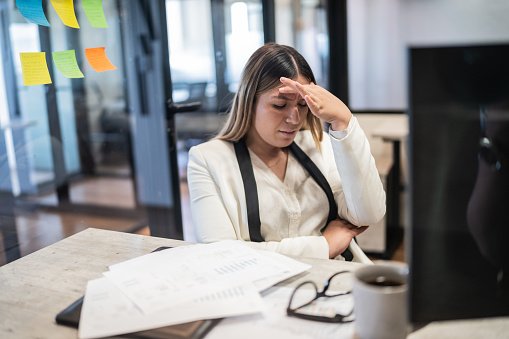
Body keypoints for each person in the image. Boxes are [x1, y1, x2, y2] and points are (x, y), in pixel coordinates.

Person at [187, 43, 385, 260]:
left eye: (302, 105)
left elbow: (369, 213)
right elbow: (219, 254)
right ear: (249, 102)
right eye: (280, 105)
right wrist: (324, 246)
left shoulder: (318, 143)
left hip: (334, 281)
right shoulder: (207, 160)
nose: (295, 119)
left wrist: (344, 121)